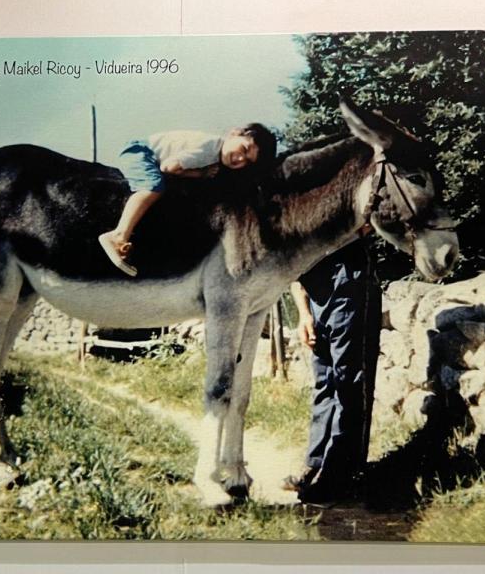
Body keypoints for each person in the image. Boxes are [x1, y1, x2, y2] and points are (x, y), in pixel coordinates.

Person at [98, 124, 276, 276]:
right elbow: (168, 166)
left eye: (247, 161)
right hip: (140, 152)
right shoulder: (209, 150)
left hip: (147, 153)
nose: (239, 159)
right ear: (234, 133)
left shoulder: (215, 153)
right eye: (244, 149)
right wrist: (201, 173)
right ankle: (118, 235)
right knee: (152, 187)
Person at [284, 231, 382, 503]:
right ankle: (316, 463)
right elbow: (294, 264)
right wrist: (304, 315)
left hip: (348, 282)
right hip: (316, 292)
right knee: (324, 381)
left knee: (349, 381)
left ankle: (340, 475)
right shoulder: (298, 205)